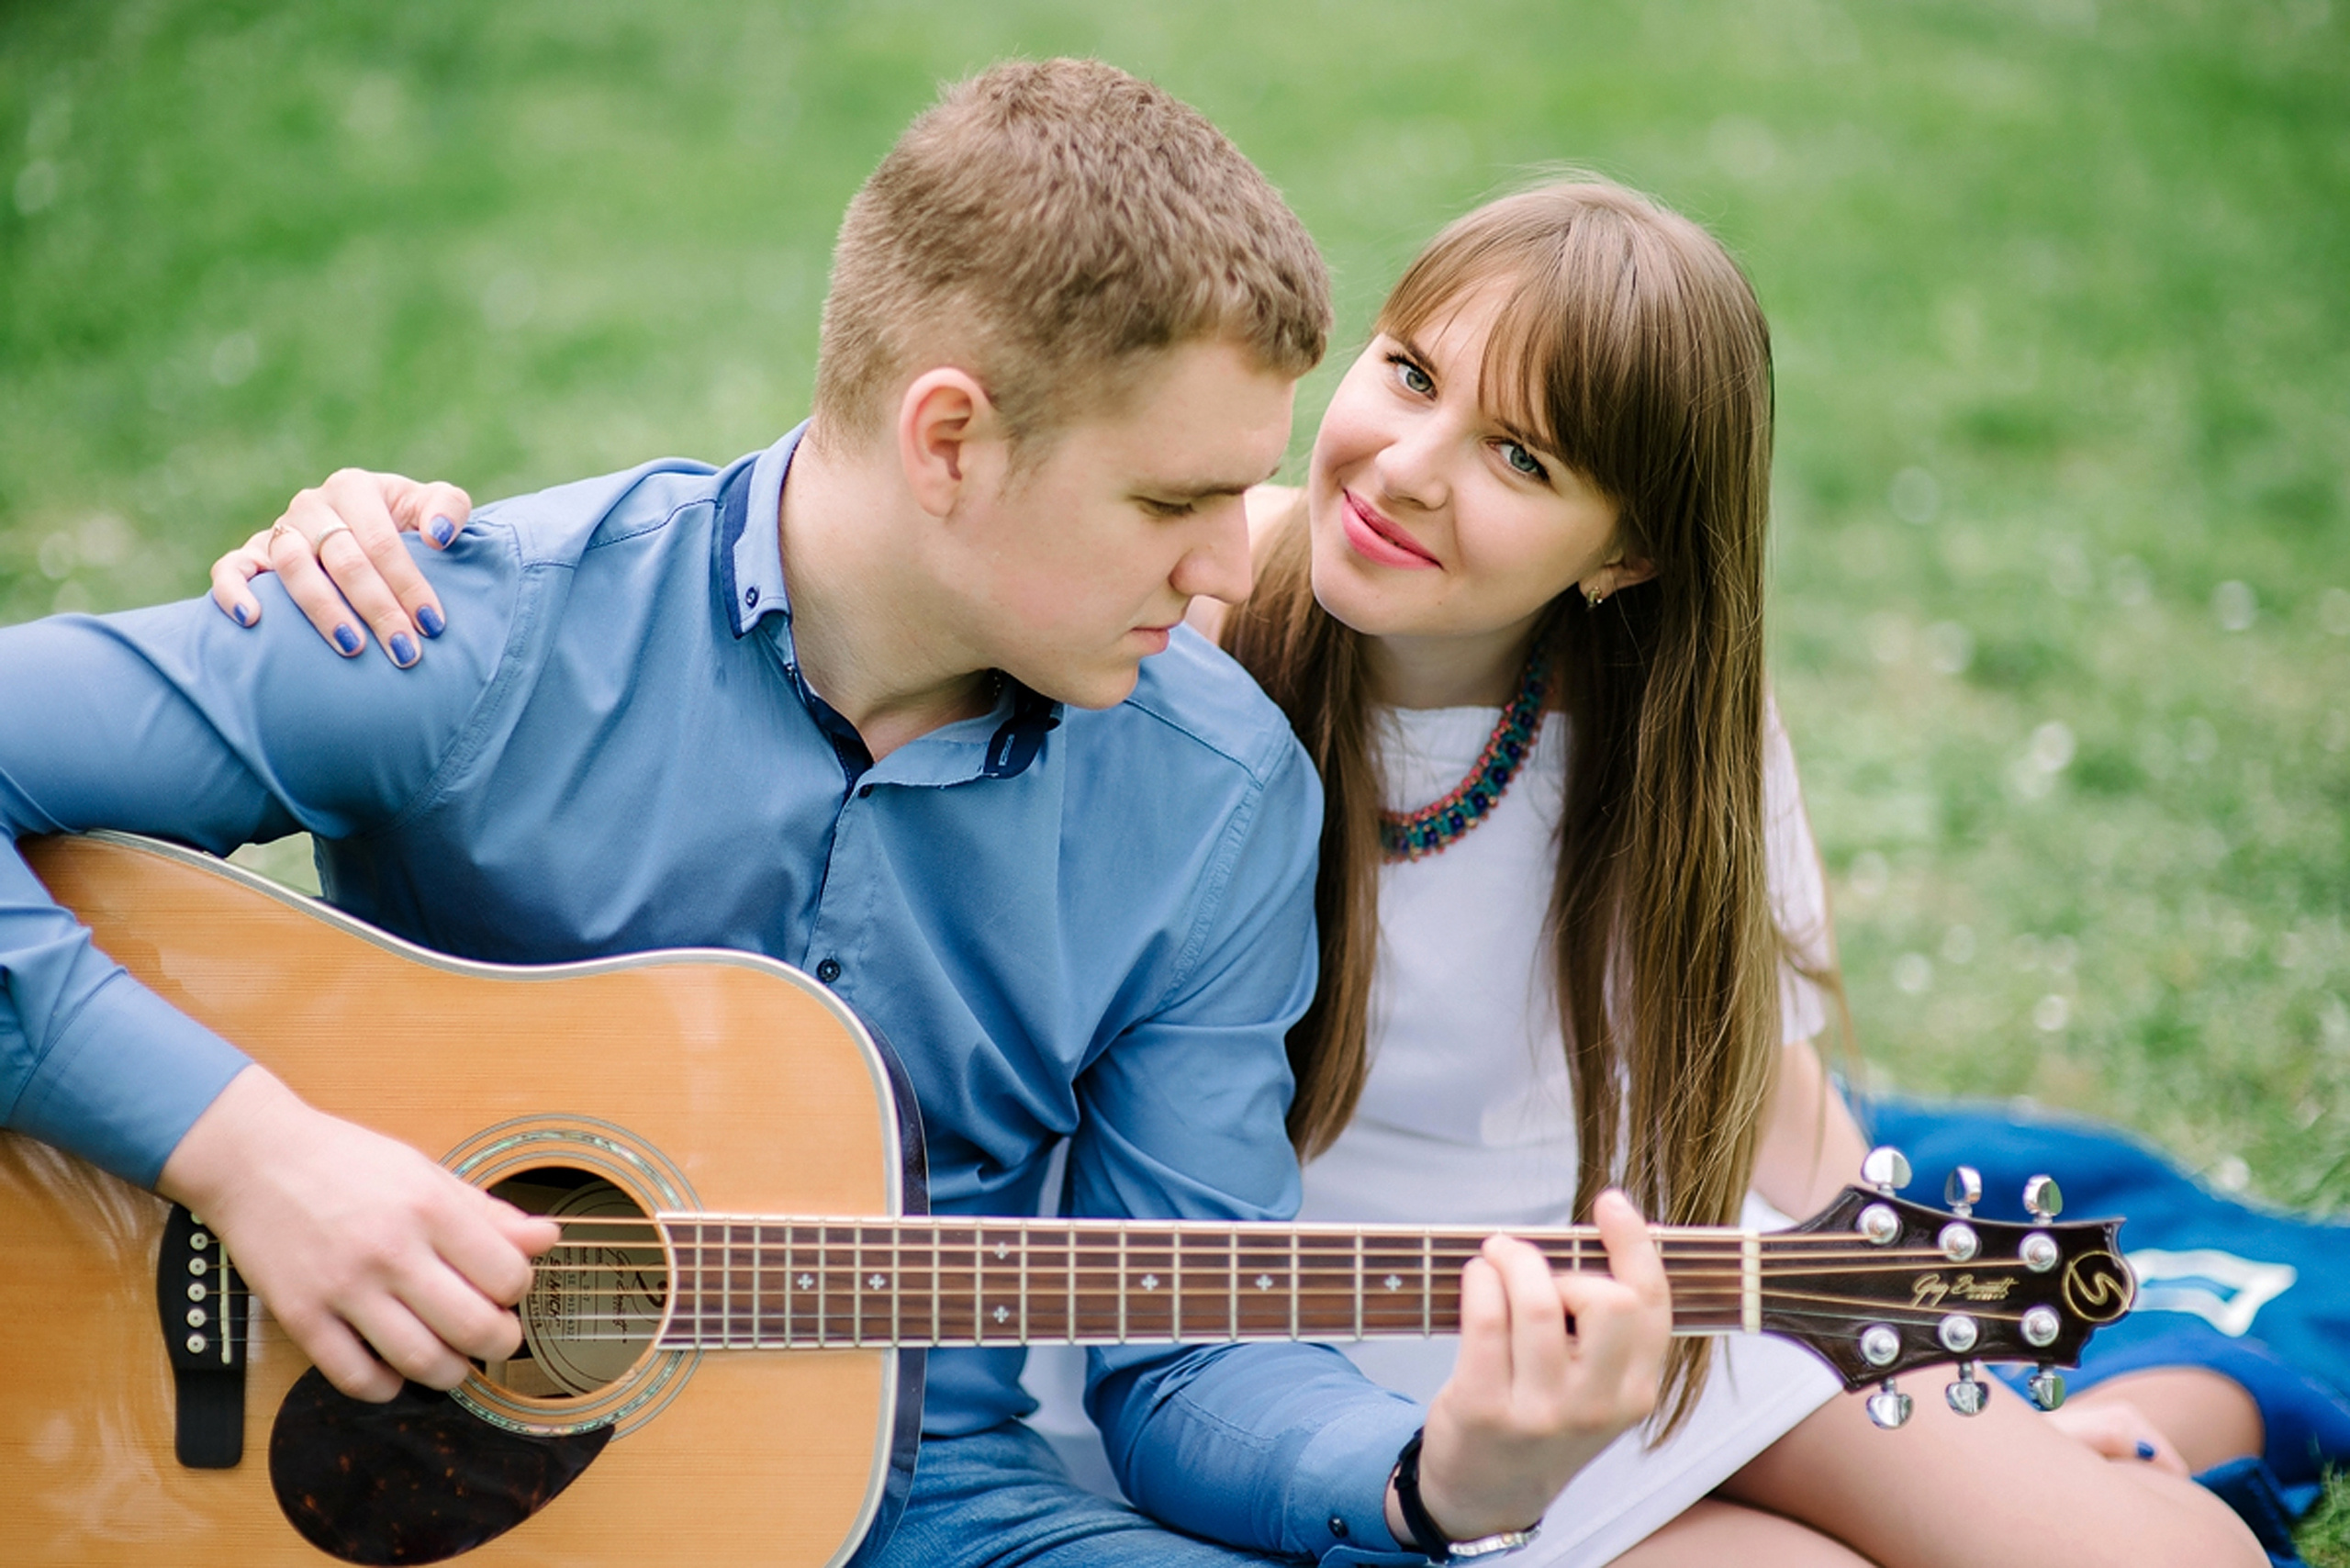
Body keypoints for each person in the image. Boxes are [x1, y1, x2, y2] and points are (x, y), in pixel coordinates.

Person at [238, 177, 2274, 1568]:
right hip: (1263, 1329)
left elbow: (1752, 1100)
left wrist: (1946, 1339)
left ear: (1626, 553)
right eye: (1407, 374)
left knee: (2146, 1542)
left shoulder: (1670, 730)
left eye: (1523, 459)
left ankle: (2160, 1404)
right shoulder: (1168, 602)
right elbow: (841, 534)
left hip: (1603, 1297)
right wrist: (412, 525)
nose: (1404, 465)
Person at [0, 62, 1679, 1568]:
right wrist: (261, 1160)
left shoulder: (1220, 795)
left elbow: (1184, 1352)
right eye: (1172, 501)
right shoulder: (480, 638)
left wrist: (1436, 1478)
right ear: (947, 438)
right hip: (389, 1497)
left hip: (933, 1515)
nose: (1239, 566)